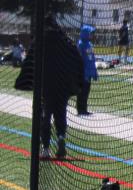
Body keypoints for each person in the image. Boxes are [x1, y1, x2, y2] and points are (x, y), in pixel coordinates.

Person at [15, 18, 84, 160]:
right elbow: (78, 61)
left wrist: (25, 81)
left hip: (45, 85)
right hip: (63, 86)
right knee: (61, 114)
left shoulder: (40, 42)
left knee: (45, 117)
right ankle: (61, 138)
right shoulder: (67, 42)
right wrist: (77, 83)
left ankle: (46, 148)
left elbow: (30, 62)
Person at [76, 24, 98, 115]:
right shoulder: (81, 44)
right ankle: (80, 109)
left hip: (89, 72)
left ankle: (84, 109)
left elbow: (91, 59)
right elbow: (79, 58)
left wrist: (94, 72)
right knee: (82, 91)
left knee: (86, 91)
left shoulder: (89, 44)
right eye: (91, 33)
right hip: (83, 72)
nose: (92, 35)